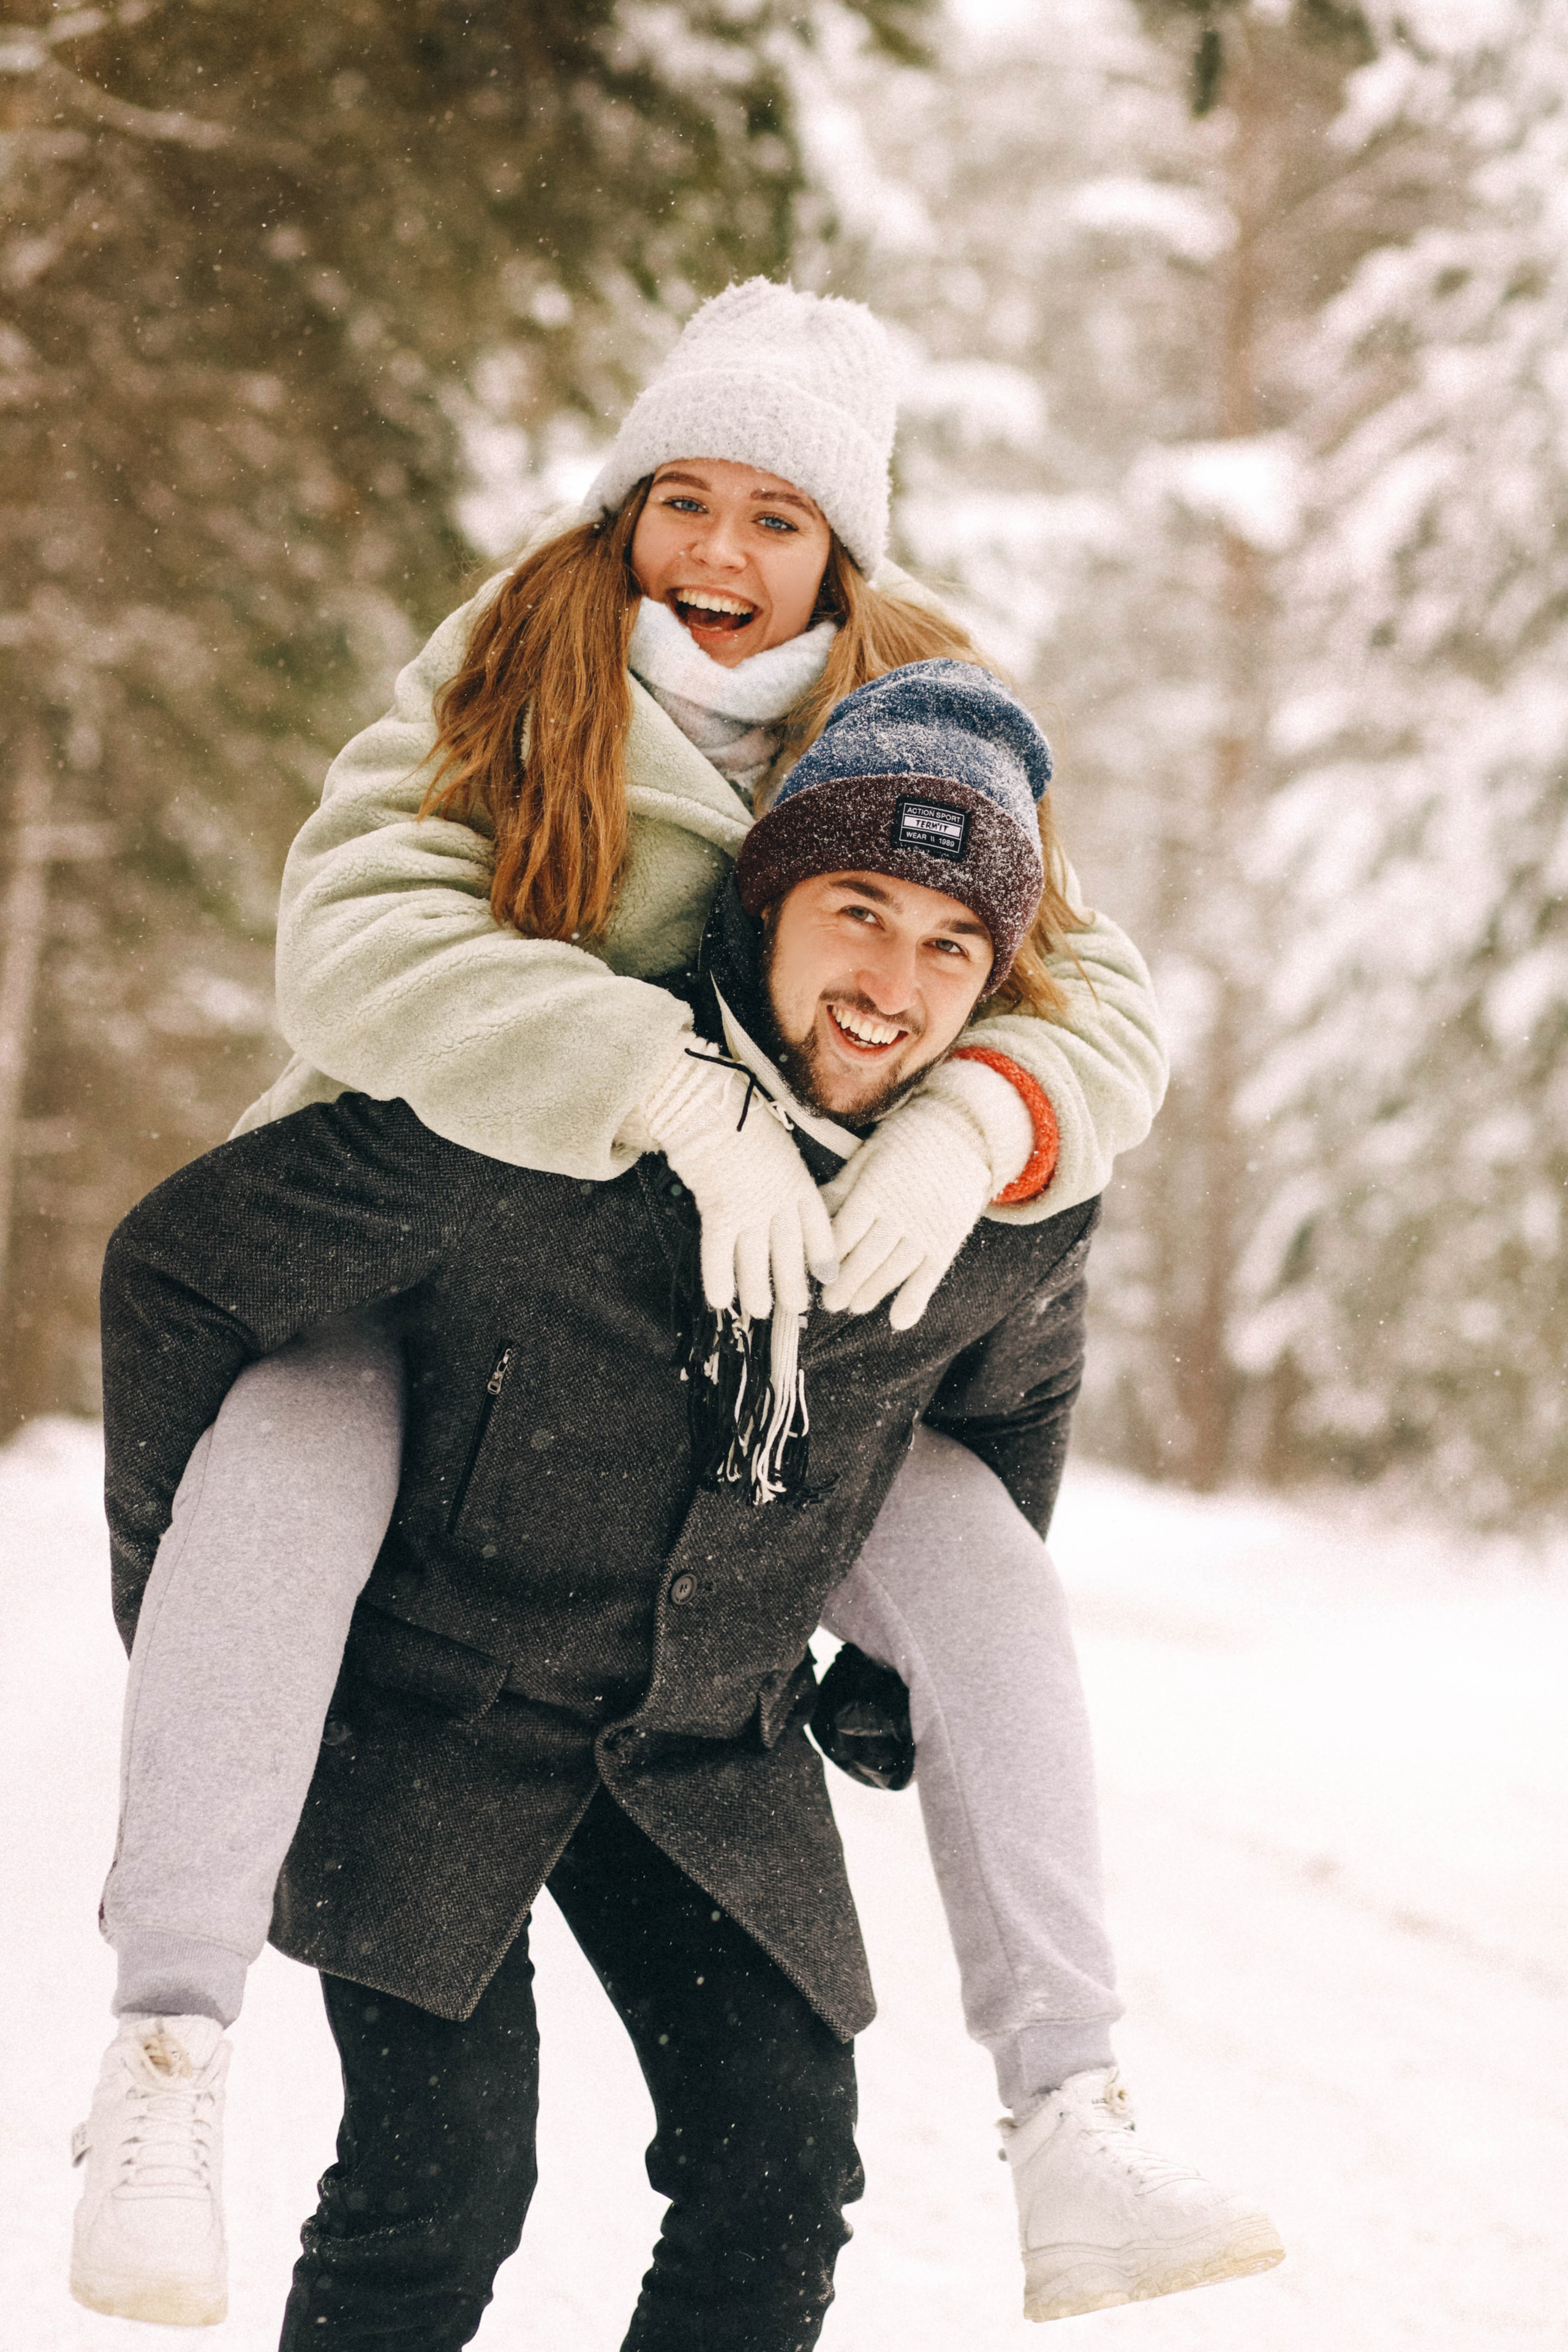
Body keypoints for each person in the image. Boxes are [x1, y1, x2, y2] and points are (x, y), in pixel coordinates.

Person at [75, 284, 1276, 2331]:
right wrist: (651, 1084)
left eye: (777, 520)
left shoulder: (925, 720)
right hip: (443, 1244)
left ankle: (1070, 2108)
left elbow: (1095, 997)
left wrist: (975, 1118)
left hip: (748, 1318)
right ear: (627, 505)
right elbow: (352, 939)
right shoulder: (514, 667)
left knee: (966, 1551)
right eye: (685, 501)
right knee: (296, 1448)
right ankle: (165, 2052)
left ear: (846, 551)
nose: (721, 557)